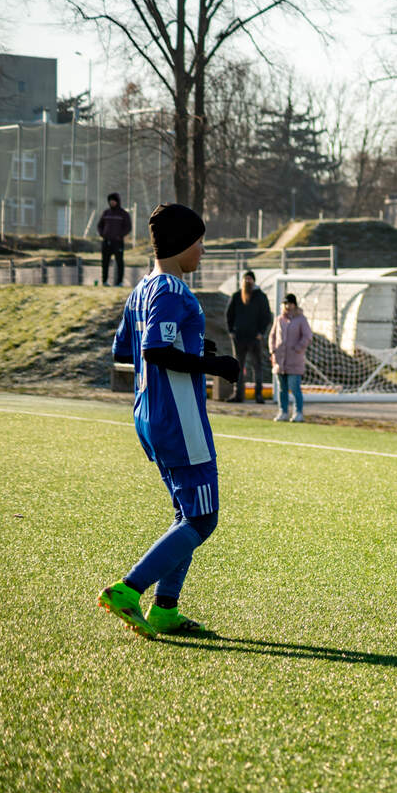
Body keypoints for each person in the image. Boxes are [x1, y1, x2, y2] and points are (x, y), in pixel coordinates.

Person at [97, 203, 241, 639]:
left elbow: (124, 350)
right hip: (179, 419)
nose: (203, 250)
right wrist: (216, 366)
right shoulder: (173, 291)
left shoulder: (141, 289)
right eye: (199, 242)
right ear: (181, 244)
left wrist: (194, 349)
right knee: (202, 520)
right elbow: (155, 351)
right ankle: (129, 589)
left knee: (186, 514)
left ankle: (165, 610)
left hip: (150, 415)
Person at [226, 270, 272, 403]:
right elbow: (229, 314)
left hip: (254, 338)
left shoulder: (261, 297)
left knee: (257, 367)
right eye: (245, 279)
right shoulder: (236, 296)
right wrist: (231, 331)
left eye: (250, 279)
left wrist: (261, 332)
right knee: (238, 367)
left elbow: (267, 316)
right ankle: (238, 395)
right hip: (239, 338)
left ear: (254, 281)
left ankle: (259, 395)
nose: (247, 281)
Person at [269, 292, 313, 423]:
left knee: (294, 388)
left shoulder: (301, 319)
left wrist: (298, 348)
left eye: (290, 303)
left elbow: (307, 336)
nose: (287, 306)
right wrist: (273, 350)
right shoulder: (279, 319)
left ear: (294, 305)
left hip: (294, 360)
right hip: (279, 361)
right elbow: (272, 336)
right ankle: (283, 412)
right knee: (282, 389)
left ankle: (298, 413)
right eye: (285, 304)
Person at [97, 193, 132, 287]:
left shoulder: (123, 214)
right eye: (110, 201)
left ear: (117, 201)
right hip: (106, 241)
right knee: (105, 262)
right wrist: (102, 234)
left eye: (114, 200)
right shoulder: (106, 213)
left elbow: (128, 227)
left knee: (119, 262)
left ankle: (119, 282)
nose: (112, 202)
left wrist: (120, 235)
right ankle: (104, 281)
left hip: (118, 242)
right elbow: (100, 225)